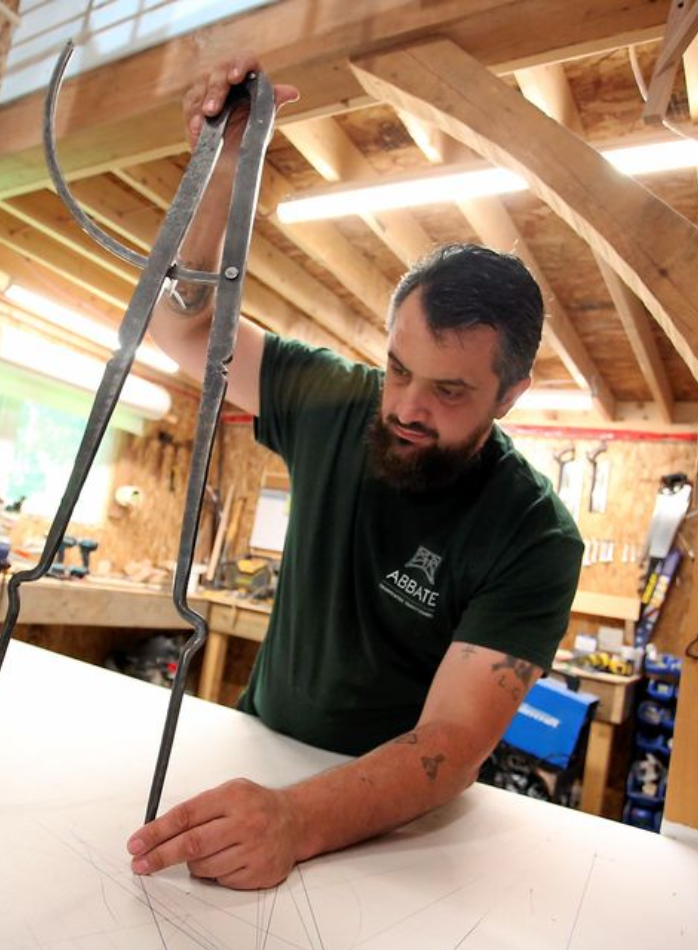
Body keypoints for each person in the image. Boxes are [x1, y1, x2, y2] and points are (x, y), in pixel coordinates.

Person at [126, 55, 583, 890]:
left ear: (510, 394)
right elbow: (184, 332)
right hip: (260, 753)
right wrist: (222, 172)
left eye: (449, 391)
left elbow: (451, 745)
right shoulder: (335, 401)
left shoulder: (533, 535)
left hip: (395, 823)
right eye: (398, 368)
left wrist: (298, 818)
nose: (407, 406)